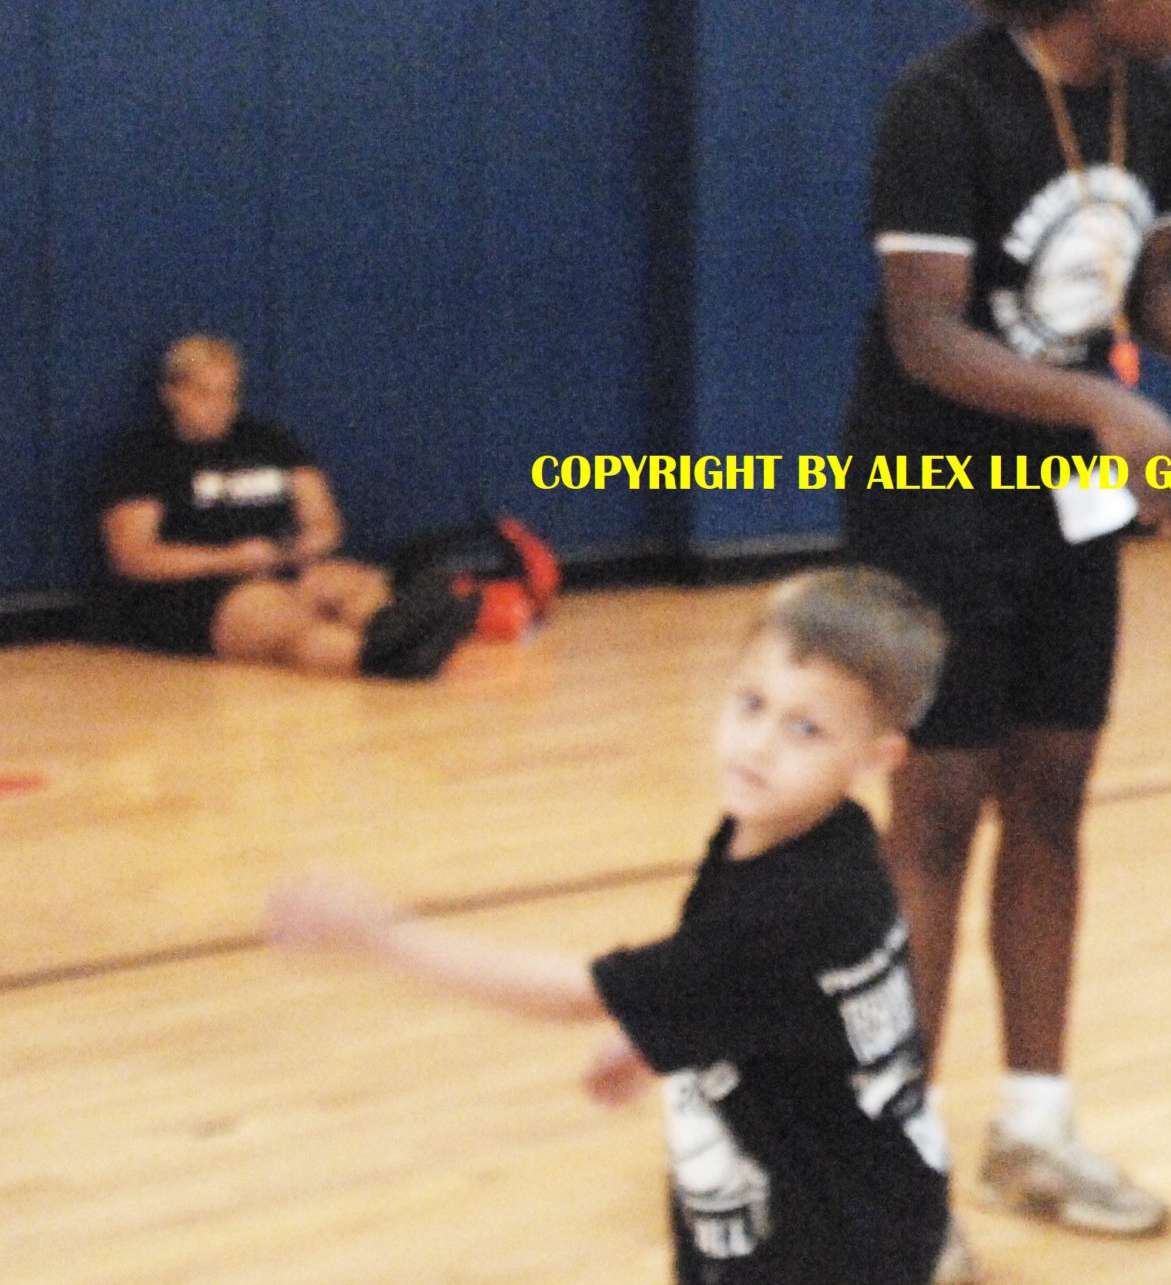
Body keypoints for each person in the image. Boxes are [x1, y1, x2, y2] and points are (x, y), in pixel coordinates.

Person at [838, 0, 1171, 1280]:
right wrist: (1108, 411)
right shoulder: (947, 102)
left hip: (1064, 494)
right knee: (936, 813)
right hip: (933, 491)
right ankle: (892, 1170)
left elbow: (1150, 292)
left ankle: (1034, 1128)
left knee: (1052, 796)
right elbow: (928, 334)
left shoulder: (1150, 100)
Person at [269, 568, 952, 1285]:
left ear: (878, 756)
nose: (758, 744)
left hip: (828, 1245)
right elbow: (767, 1001)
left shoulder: (793, 904)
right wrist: (656, 1035)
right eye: (751, 703)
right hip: (825, 1206)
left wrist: (382, 938)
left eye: (805, 728)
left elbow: (577, 993)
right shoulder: (813, 836)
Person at [93, 333, 479, 678]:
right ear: (172, 393)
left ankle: (409, 627)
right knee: (283, 618)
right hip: (196, 592)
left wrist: (298, 548)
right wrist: (229, 559)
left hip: (281, 567)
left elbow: (324, 522)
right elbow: (133, 556)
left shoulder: (266, 439)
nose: (219, 406)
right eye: (204, 394)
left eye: (228, 394)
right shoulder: (144, 455)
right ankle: (376, 656)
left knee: (356, 584)